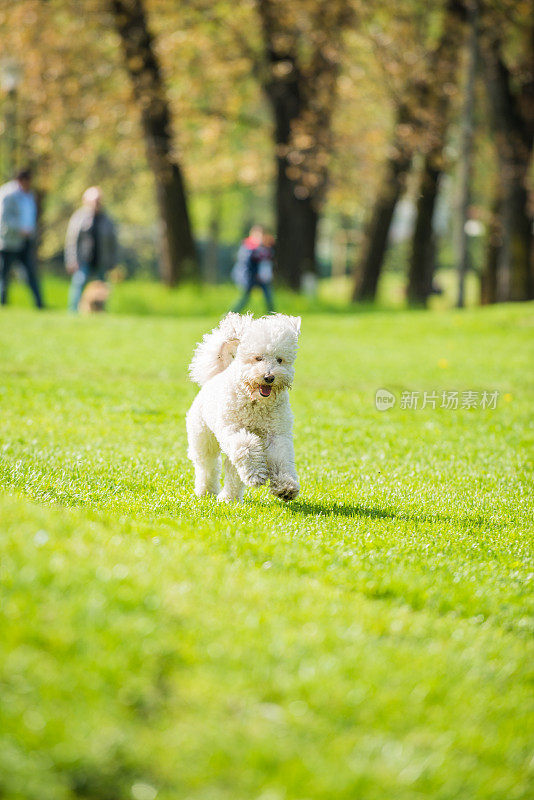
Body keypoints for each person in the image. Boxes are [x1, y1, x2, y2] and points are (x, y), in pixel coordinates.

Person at [65, 186, 118, 312]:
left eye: (99, 201)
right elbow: (71, 241)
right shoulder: (79, 218)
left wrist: (113, 262)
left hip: (101, 259)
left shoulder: (107, 220)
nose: (96, 204)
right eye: (94, 201)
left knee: (102, 289)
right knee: (79, 284)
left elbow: (113, 243)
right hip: (84, 258)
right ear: (86, 201)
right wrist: (71, 260)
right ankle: (73, 311)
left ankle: (100, 312)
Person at [0, 168, 44, 308]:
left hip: (25, 241)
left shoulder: (29, 194)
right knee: (4, 274)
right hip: (9, 242)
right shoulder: (8, 194)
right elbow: (4, 218)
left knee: (31, 273)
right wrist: (20, 228)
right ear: (21, 180)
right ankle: (3, 302)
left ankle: (39, 303)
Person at [232, 226, 275, 313]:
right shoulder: (248, 247)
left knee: (268, 297)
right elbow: (245, 264)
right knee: (244, 298)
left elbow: (268, 261)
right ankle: (231, 314)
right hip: (249, 278)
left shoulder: (264, 248)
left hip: (261, 277)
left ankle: (272, 315)